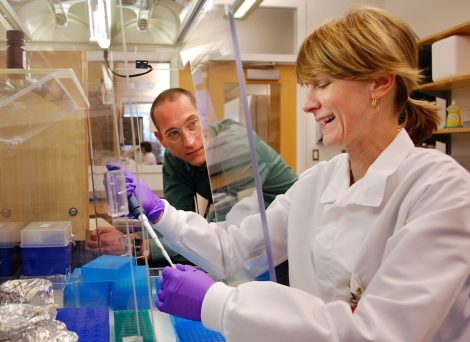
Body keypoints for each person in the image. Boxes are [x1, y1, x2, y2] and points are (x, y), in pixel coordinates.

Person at [117, 7, 470, 341]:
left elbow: (378, 332)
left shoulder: (440, 190)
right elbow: (234, 249)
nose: (308, 103)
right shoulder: (319, 181)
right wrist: (163, 214)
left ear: (379, 82)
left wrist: (220, 304)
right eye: (308, 86)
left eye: (323, 83)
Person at [88, 88, 298, 283]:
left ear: (204, 118)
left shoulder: (233, 147)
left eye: (192, 124)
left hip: (290, 246)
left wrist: (133, 246)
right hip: (248, 248)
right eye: (173, 133)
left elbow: (222, 245)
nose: (188, 141)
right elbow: (178, 225)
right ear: (161, 139)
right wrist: (134, 237)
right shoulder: (175, 158)